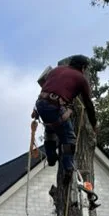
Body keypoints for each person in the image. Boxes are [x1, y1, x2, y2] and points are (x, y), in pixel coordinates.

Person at [33, 54, 100, 208]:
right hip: (55, 106)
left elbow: (46, 84)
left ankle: (51, 157)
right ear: (83, 68)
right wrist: (94, 123)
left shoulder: (57, 70)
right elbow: (88, 104)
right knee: (68, 138)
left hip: (41, 104)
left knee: (51, 127)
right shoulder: (81, 78)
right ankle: (68, 168)